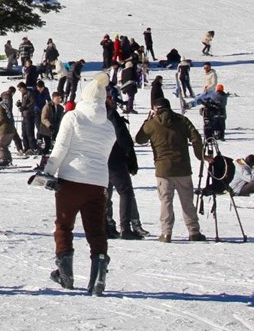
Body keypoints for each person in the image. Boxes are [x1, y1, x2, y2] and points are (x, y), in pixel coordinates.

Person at [43, 73, 117, 293]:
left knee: (64, 225)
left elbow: (60, 149)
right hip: (98, 183)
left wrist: (48, 173)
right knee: (96, 230)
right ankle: (99, 275)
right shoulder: (108, 126)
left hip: (71, 179)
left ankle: (65, 273)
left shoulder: (73, 117)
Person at [134, 98, 206, 242]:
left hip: (163, 170)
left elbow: (139, 139)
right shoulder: (182, 120)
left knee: (166, 202)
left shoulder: (152, 124)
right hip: (183, 167)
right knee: (187, 201)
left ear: (155, 109)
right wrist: (201, 156)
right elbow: (196, 138)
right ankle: (194, 232)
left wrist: (146, 121)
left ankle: (166, 233)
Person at [105, 93, 143, 240]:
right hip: (115, 159)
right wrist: (128, 155)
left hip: (100, 159)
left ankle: (107, 226)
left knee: (105, 194)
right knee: (125, 192)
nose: (113, 100)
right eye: (110, 98)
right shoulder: (111, 115)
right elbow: (123, 138)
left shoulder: (94, 115)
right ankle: (125, 228)